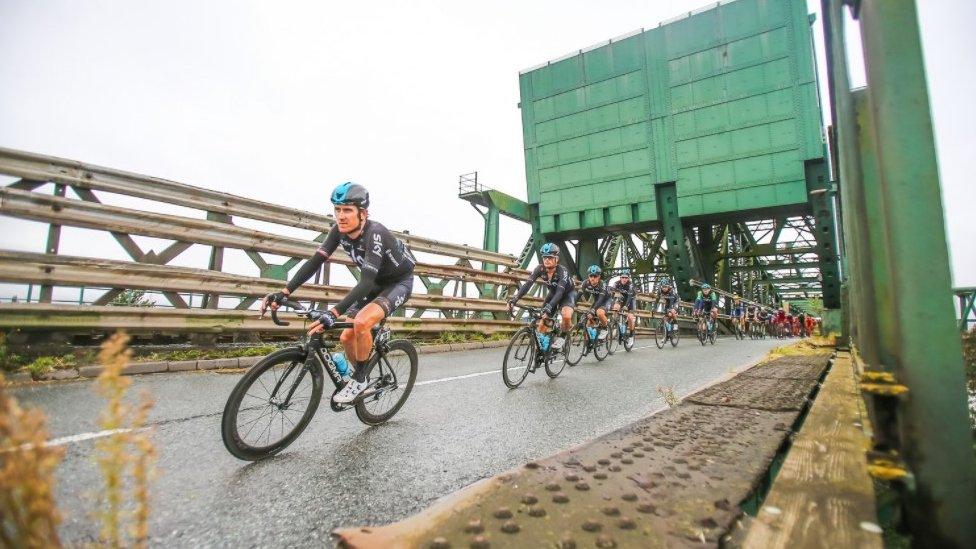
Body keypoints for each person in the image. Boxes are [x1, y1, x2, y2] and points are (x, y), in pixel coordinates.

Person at [261, 182, 415, 404]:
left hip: (398, 283)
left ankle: (360, 380)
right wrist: (284, 292)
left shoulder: (375, 233)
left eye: (347, 210)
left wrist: (333, 313)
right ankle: (361, 374)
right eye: (337, 209)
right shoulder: (339, 232)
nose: (341, 216)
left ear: (363, 214)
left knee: (362, 323)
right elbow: (315, 262)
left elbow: (365, 282)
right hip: (373, 285)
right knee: (346, 336)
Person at [507, 243, 575, 351]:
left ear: (556, 259)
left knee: (566, 316)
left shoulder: (562, 271)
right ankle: (542, 351)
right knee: (542, 323)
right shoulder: (540, 269)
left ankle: (563, 336)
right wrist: (515, 298)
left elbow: (560, 292)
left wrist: (549, 307)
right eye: (544, 257)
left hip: (566, 294)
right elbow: (527, 285)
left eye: (550, 257)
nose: (547, 260)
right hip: (553, 293)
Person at [578, 265, 611, 340]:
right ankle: (589, 343)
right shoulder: (585, 283)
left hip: (605, 301)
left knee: (599, 313)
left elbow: (601, 299)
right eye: (591, 276)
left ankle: (605, 329)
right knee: (588, 323)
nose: (592, 278)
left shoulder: (602, 284)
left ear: (599, 277)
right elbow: (578, 295)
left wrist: (593, 310)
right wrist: (572, 305)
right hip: (597, 301)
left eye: (595, 276)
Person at [609, 269, 639, 343]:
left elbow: (629, 297)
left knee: (630, 318)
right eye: (623, 277)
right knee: (615, 307)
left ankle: (631, 335)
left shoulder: (630, 286)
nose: (624, 279)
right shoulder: (616, 283)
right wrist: (610, 304)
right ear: (620, 278)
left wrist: (626, 306)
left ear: (628, 279)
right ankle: (616, 323)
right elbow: (612, 295)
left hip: (631, 300)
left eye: (626, 278)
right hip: (622, 298)